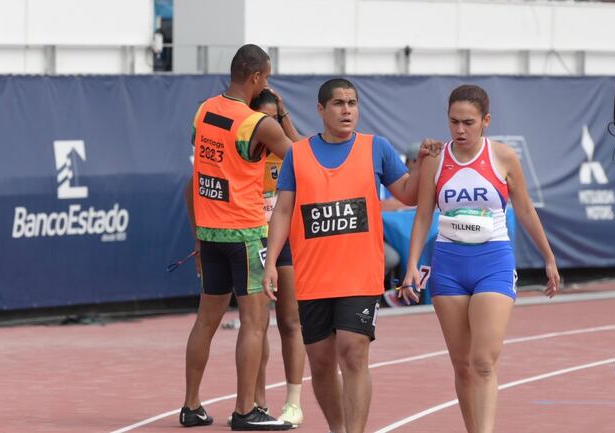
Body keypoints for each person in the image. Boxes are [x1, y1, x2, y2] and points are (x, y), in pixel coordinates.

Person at [261, 78, 440, 433]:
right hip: (312, 275)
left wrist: (419, 164)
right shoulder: (298, 154)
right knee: (322, 363)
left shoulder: (377, 148)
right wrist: (270, 264)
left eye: (352, 103)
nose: (347, 110)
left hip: (359, 273)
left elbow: (406, 194)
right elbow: (282, 211)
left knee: (354, 350)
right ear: (321, 110)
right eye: (339, 103)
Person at [399, 84, 559, 433]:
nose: (460, 130)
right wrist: (411, 264)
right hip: (449, 264)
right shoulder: (435, 161)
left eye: (468, 122)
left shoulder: (503, 157)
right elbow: (423, 214)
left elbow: (526, 209)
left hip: (493, 262)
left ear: (485, 121)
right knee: (462, 366)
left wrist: (548, 257)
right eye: (454, 122)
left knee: (483, 362)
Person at [180, 44, 293, 431]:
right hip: (245, 234)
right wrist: (286, 116)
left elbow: (197, 173)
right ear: (258, 78)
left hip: (209, 233)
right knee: (255, 324)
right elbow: (301, 162)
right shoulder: (258, 124)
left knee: (206, 321)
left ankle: (191, 405)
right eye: (267, 77)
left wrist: (196, 238)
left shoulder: (204, 110)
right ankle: (246, 410)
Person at [245, 88, 306, 427]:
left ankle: (294, 402)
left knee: (290, 321)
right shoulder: (245, 149)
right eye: (264, 121)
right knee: (257, 325)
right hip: (252, 238)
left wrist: (283, 113)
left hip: (285, 241)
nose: (272, 128)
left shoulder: (287, 151)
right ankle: (257, 400)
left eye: (276, 121)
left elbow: (301, 149)